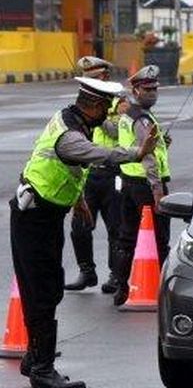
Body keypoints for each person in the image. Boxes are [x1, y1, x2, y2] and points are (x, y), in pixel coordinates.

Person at [10, 77, 157, 388]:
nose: (109, 112)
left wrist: (79, 202)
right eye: (106, 106)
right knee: (43, 291)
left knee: (43, 288)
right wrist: (137, 152)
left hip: (44, 214)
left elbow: (68, 168)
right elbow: (97, 155)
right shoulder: (70, 137)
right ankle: (42, 370)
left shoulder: (71, 120)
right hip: (34, 217)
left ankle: (35, 357)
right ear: (92, 105)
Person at [64, 56, 125, 294]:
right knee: (80, 225)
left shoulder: (119, 100)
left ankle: (115, 275)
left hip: (112, 172)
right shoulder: (84, 104)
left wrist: (99, 114)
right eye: (88, 77)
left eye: (96, 76)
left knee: (115, 228)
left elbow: (116, 130)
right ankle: (86, 271)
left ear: (105, 76)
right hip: (88, 174)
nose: (92, 80)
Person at [112, 65, 172, 307]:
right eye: (147, 89)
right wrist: (157, 190)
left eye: (155, 89)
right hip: (147, 186)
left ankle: (121, 287)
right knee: (160, 238)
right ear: (135, 91)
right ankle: (162, 289)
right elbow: (147, 157)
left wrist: (163, 144)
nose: (152, 93)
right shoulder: (141, 118)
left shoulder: (129, 116)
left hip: (128, 182)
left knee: (126, 237)